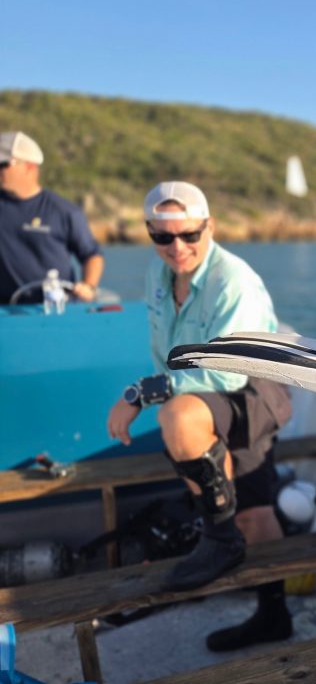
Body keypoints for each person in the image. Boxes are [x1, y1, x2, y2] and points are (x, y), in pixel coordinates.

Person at [105, 181, 294, 652]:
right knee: (247, 502)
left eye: (189, 235)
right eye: (163, 237)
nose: (177, 248)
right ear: (149, 233)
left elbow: (227, 376)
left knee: (183, 423)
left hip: (250, 388)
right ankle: (235, 557)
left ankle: (236, 560)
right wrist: (156, 388)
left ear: (209, 226)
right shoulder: (159, 273)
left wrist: (140, 393)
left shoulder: (233, 281)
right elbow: (164, 352)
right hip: (197, 392)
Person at [0, 131, 104, 303]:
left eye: (3, 164)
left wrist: (89, 286)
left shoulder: (64, 211)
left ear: (30, 167)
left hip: (55, 311)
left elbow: (92, 255)